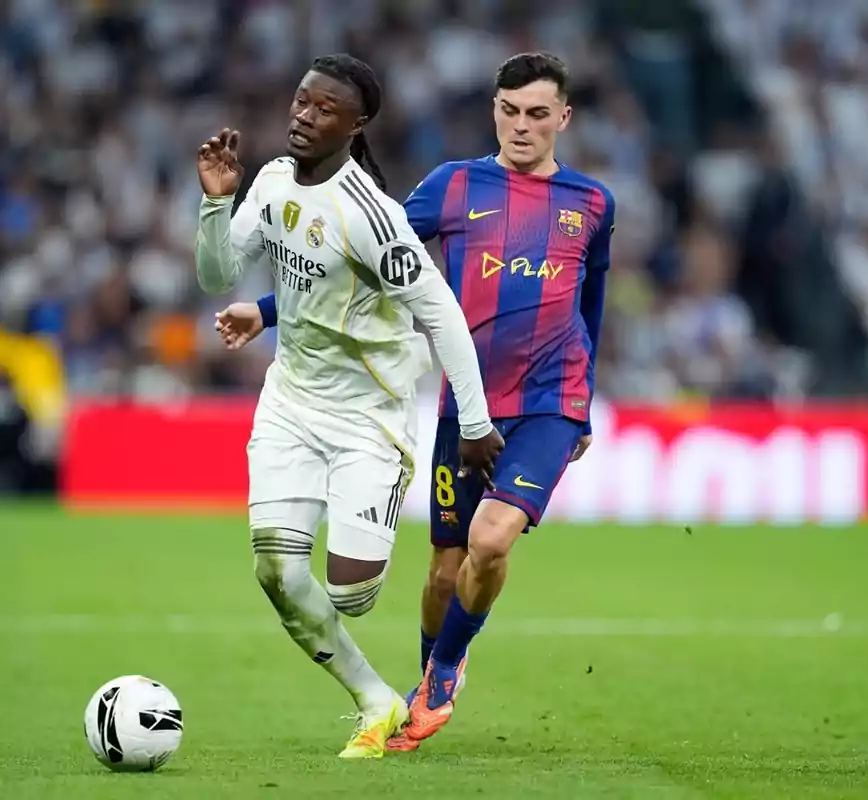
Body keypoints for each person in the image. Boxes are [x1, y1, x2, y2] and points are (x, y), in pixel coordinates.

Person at [214, 52, 616, 751]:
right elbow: (357, 264)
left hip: (551, 398)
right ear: (494, 111)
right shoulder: (453, 185)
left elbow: (592, 299)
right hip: (468, 401)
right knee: (443, 571)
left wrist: (585, 399)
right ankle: (431, 669)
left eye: (537, 114)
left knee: (491, 540)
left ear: (564, 118)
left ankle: (442, 675)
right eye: (509, 111)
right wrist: (268, 311)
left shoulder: (593, 204)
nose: (521, 126)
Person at [193, 53, 504, 759]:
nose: (305, 115)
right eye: (301, 101)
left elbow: (441, 314)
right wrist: (215, 204)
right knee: (276, 569)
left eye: (325, 109)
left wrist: (476, 422)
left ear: (356, 124)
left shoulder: (372, 216)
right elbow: (216, 274)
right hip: (291, 402)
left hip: (368, 415)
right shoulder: (272, 181)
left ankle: (376, 512)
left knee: (350, 595)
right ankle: (375, 698)